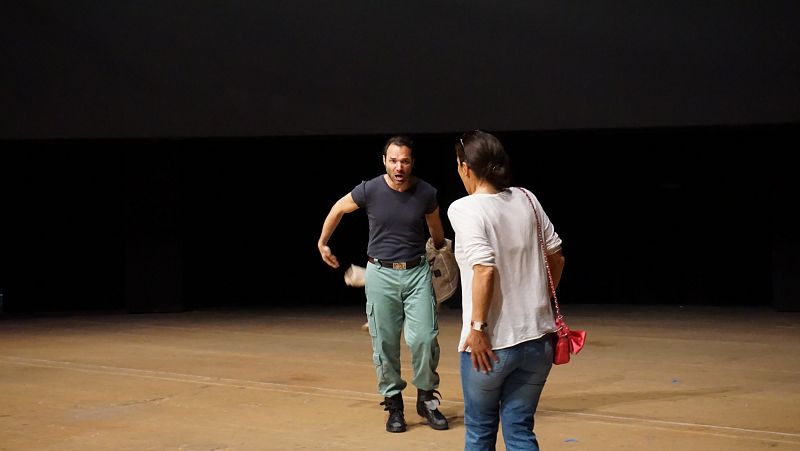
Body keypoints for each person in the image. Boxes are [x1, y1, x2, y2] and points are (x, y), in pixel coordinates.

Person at [317, 135, 450, 433]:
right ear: (384, 161)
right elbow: (338, 208)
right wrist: (323, 242)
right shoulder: (370, 190)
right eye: (393, 160)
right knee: (385, 344)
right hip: (380, 274)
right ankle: (394, 406)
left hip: (417, 272)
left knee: (425, 339)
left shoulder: (426, 192)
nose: (398, 166)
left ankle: (426, 400)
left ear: (412, 162)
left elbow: (435, 228)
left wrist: (442, 252)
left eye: (404, 160)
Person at [447, 130, 565, 451]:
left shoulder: (464, 208)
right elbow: (556, 256)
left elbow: (484, 269)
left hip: (492, 345)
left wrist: (477, 328)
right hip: (538, 341)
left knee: (480, 433)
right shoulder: (528, 199)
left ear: (465, 168)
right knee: (520, 431)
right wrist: (539, 298)